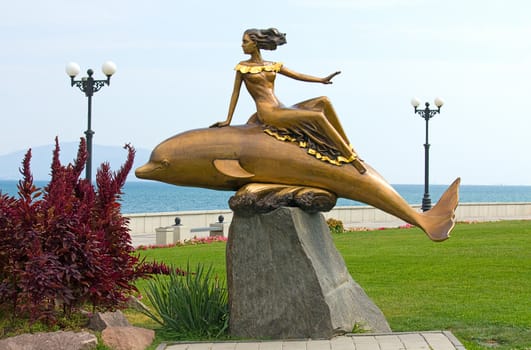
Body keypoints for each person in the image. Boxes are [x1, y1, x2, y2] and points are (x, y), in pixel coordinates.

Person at [210, 28, 366, 173]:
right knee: (316, 116)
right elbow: (235, 93)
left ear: (255, 43)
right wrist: (228, 120)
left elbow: (297, 75)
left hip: (281, 108)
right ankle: (351, 159)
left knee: (324, 101)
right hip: (269, 113)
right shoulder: (242, 68)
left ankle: (350, 149)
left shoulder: (272, 65)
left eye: (245, 42)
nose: (242, 45)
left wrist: (321, 80)